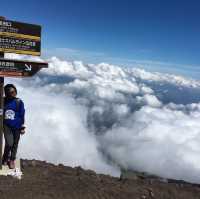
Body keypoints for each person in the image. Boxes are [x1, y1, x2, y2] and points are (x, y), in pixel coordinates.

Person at [2, 84, 25, 169]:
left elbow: (22, 115)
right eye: (10, 92)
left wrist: (22, 127)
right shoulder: (3, 101)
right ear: (6, 93)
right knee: (9, 143)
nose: (12, 93)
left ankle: (11, 160)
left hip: (17, 126)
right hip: (6, 125)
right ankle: (5, 157)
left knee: (15, 144)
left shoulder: (18, 102)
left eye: (13, 91)